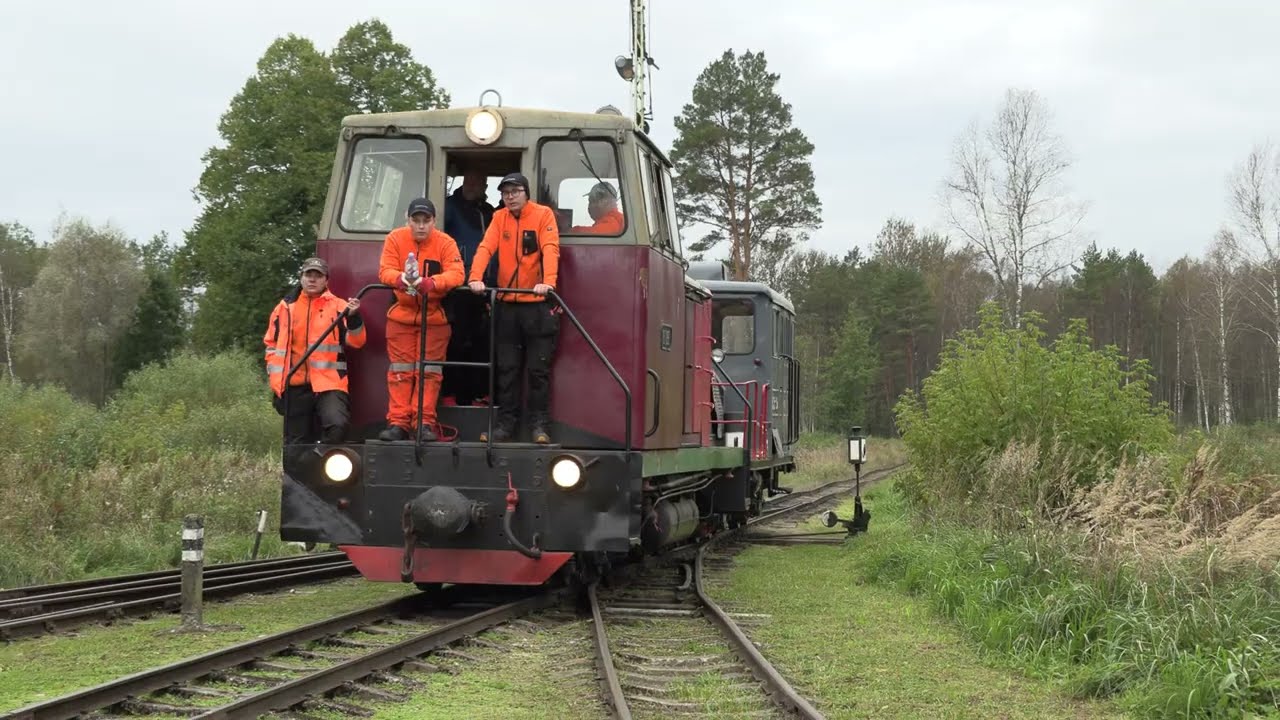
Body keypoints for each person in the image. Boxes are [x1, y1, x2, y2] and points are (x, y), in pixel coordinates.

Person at [467, 172, 561, 444]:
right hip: (507, 305)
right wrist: (475, 277)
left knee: (538, 370)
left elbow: (551, 248)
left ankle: (539, 426)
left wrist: (548, 283)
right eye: (506, 192)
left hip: (537, 306)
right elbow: (486, 247)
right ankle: (505, 425)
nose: (510, 196)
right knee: (506, 369)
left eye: (515, 191)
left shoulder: (543, 215)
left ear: (526, 192)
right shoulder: (499, 218)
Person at [377, 197, 465, 442]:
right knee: (400, 373)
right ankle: (398, 424)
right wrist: (401, 279)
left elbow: (457, 274)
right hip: (400, 318)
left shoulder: (446, 243)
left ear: (434, 221)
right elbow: (385, 270)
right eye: (416, 220)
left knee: (429, 373)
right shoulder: (395, 238)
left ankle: (424, 423)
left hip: (435, 318)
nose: (421, 225)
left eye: (426, 220)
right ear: (408, 220)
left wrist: (432, 283)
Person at [264, 257, 365, 444]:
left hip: (329, 384)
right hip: (294, 385)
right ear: (301, 278)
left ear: (326, 280)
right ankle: (302, 470)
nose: (312, 279)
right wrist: (276, 381)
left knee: (337, 426)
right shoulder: (284, 308)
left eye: (317, 276)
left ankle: (325, 463)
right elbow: (271, 344)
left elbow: (357, 341)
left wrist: (354, 317)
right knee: (295, 444)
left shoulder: (339, 306)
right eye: (308, 275)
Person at [441, 171, 497, 406]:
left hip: (487, 285)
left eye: (478, 181)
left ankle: (479, 394)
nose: (473, 185)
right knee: (456, 340)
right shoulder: (449, 208)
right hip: (458, 287)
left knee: (484, 340)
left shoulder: (488, 211)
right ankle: (451, 394)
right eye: (470, 180)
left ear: (485, 185)